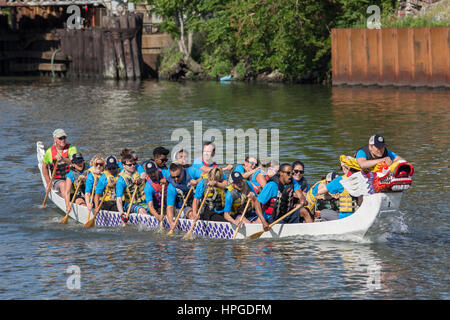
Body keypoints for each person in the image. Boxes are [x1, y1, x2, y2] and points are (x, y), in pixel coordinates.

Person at [253, 163, 310, 231]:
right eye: (288, 173)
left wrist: (302, 199)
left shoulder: (292, 181)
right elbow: (257, 203)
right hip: (273, 216)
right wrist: (263, 222)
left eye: (292, 173)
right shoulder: (271, 185)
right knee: (282, 224)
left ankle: (312, 232)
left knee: (304, 211)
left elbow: (299, 193)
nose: (290, 176)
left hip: (287, 213)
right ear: (281, 173)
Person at [165, 163, 202, 231]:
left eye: (178, 176)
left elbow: (206, 175)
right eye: (173, 177)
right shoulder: (172, 186)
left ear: (182, 171)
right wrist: (171, 223)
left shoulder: (191, 171)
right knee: (191, 214)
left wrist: (197, 181)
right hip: (184, 207)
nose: (176, 179)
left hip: (198, 200)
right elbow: (170, 207)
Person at [42, 128, 78, 196]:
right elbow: (44, 167)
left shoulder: (71, 148)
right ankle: (67, 202)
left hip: (72, 178)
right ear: (55, 139)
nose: (63, 140)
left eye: (64, 138)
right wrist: (48, 182)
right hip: (58, 180)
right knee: (63, 184)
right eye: (60, 138)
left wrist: (63, 159)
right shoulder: (49, 152)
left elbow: (75, 162)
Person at [116, 154, 148, 222]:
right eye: (130, 165)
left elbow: (143, 174)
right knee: (141, 210)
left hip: (144, 201)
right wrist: (122, 214)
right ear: (123, 165)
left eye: (134, 164)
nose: (133, 166)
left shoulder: (138, 167)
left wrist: (140, 179)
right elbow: (118, 199)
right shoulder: (121, 180)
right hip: (130, 204)